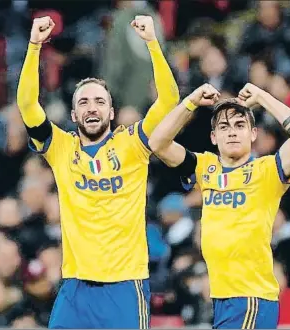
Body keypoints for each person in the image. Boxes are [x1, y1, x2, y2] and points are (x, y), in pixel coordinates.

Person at [17, 15, 179, 329]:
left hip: (124, 286)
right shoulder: (60, 147)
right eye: (85, 102)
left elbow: (170, 99)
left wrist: (152, 44)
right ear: (74, 113)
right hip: (76, 286)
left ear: (112, 111)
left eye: (100, 101)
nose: (92, 107)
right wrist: (34, 45)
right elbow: (27, 105)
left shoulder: (133, 143)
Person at [148, 82, 290, 329]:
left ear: (253, 133)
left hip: (251, 298)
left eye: (240, 125)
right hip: (222, 297)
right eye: (224, 127)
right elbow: (158, 142)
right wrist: (191, 101)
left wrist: (262, 96)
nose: (232, 132)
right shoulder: (205, 167)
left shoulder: (267, 170)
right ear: (214, 137)